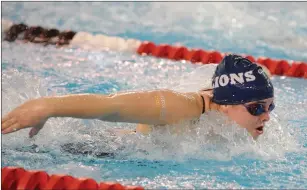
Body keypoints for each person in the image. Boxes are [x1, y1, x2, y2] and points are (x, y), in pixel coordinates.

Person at [1, 54, 275, 140]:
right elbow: (113, 106)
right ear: (226, 105)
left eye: (270, 107)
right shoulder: (179, 107)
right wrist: (47, 105)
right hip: (104, 151)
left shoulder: (228, 107)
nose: (266, 116)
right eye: (256, 108)